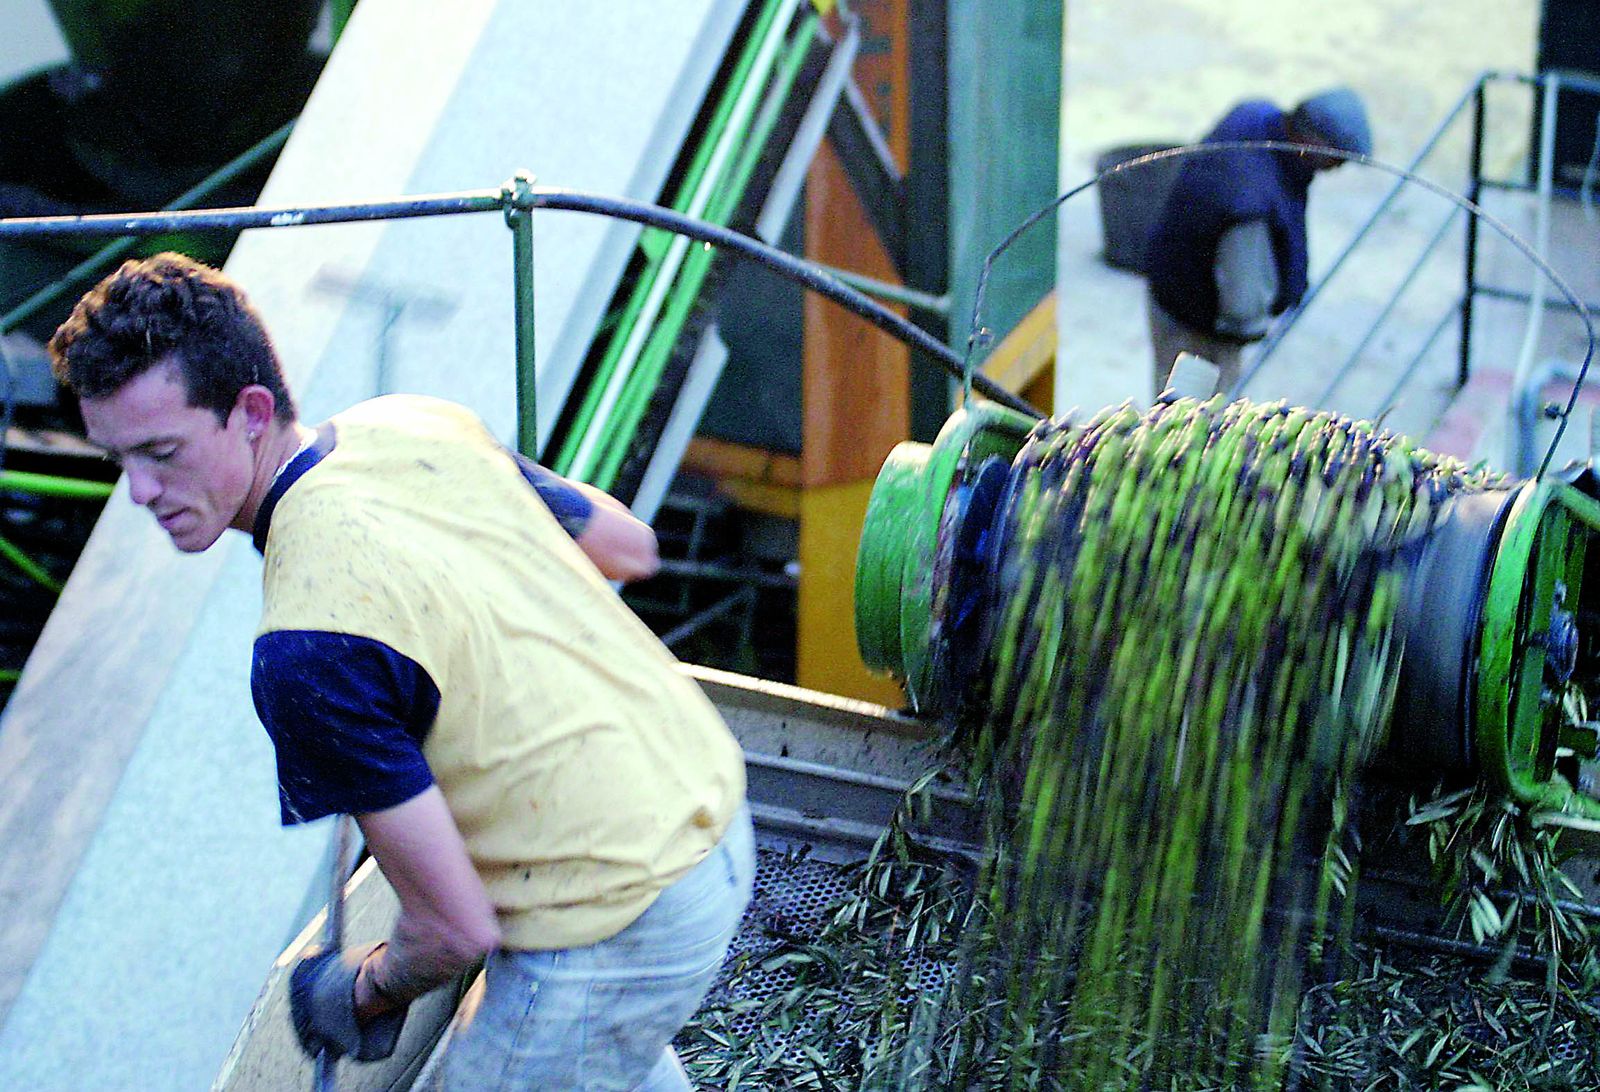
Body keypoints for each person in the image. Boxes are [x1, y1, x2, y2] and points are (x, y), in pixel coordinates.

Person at [47, 252, 754, 1091]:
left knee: (571, 1036)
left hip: (610, 919)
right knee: (607, 1053)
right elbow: (628, 546)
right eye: (117, 459)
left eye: (162, 451)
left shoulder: (305, 647)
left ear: (250, 410)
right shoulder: (417, 425)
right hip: (713, 819)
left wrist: (360, 989)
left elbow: (453, 931)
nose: (138, 491)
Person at [1145, 86, 1373, 397]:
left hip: (1168, 288)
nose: (1336, 169)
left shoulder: (1255, 115)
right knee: (1187, 426)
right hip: (1197, 330)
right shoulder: (1251, 209)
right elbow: (1243, 307)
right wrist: (1247, 336)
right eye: (1336, 158)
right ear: (1312, 142)